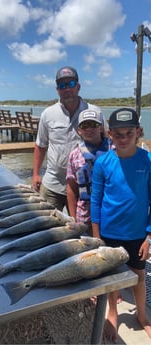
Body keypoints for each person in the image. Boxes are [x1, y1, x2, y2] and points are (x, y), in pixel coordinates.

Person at [90, 107, 151, 342]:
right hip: (109, 232)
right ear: (110, 134)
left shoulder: (147, 161)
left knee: (138, 274)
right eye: (118, 134)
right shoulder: (104, 162)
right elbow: (96, 200)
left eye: (129, 133)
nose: (123, 138)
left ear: (138, 132)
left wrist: (148, 236)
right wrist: (97, 237)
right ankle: (112, 314)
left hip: (137, 233)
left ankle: (142, 316)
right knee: (112, 276)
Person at [33, 66, 105, 210]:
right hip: (53, 183)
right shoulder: (48, 114)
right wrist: (35, 174)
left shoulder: (94, 112)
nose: (67, 89)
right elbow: (41, 145)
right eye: (62, 85)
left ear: (78, 86)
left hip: (85, 185)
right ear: (57, 89)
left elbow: (107, 144)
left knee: (82, 227)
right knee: (47, 228)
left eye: (71, 84)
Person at [66, 107, 110, 226]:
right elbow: (71, 189)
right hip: (85, 214)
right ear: (79, 130)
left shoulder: (114, 150)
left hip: (110, 212)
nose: (89, 129)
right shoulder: (74, 155)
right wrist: (72, 218)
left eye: (93, 124)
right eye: (85, 126)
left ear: (101, 127)